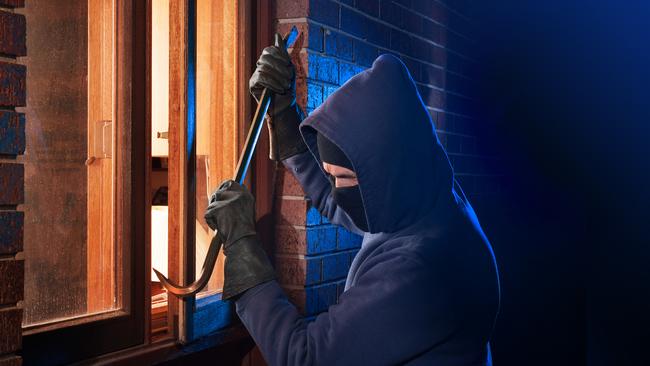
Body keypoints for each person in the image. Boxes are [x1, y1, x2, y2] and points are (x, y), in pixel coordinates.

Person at [204, 34, 500, 365]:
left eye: (343, 178)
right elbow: (346, 204)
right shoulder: (426, 196)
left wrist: (243, 246)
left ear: (385, 172)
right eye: (331, 175)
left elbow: (305, 359)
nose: (336, 188)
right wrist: (284, 116)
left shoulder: (420, 268)